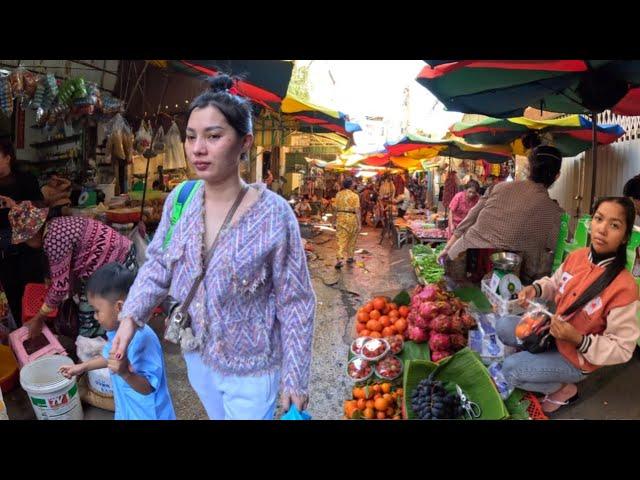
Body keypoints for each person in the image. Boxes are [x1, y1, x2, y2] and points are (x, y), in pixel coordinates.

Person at [109, 75, 315, 420]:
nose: (197, 149)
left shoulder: (275, 214)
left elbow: (295, 301)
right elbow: (159, 264)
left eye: (213, 136)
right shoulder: (181, 199)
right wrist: (131, 317)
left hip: (253, 370)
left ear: (244, 142)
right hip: (198, 355)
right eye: (191, 137)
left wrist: (295, 377)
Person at [496, 197, 640, 413]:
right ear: (591, 222)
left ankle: (564, 389)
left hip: (577, 357)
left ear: (625, 238)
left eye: (614, 225)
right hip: (551, 332)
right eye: (599, 219)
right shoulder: (577, 257)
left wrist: (579, 340)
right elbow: (554, 283)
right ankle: (537, 363)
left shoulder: (624, 287)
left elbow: (623, 348)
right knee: (504, 325)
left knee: (510, 370)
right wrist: (534, 289)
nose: (602, 229)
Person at [59, 263, 175, 420]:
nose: (94, 316)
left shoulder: (143, 339)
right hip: (127, 409)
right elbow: (109, 357)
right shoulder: (115, 333)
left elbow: (148, 387)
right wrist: (82, 367)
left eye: (97, 311)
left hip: (149, 414)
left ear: (119, 307)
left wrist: (125, 373)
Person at [8, 201, 137, 339]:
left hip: (116, 265)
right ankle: (103, 345)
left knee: (92, 319)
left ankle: (97, 350)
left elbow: (60, 288)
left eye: (26, 240)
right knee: (95, 311)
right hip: (115, 258)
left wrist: (39, 317)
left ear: (32, 235)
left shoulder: (53, 239)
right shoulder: (56, 225)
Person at [438, 146, 565, 285]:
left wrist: (447, 248)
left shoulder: (498, 187)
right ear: (557, 175)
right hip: (507, 279)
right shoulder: (555, 213)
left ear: (528, 167)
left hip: (462, 259)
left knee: (451, 301)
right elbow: (560, 250)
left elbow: (469, 219)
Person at [0, 139, 47, 324]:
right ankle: (17, 338)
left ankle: (37, 333)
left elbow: (41, 208)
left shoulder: (26, 180)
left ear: (7, 158)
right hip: (4, 252)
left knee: (31, 293)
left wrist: (15, 206)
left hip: (28, 248)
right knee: (10, 297)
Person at [334, 177, 361, 269]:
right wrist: (359, 223)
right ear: (350, 185)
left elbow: (335, 209)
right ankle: (350, 257)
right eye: (353, 183)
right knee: (352, 238)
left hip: (341, 217)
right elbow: (357, 210)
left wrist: (334, 220)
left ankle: (339, 259)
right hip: (352, 218)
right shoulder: (355, 196)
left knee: (340, 239)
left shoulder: (338, 194)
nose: (354, 185)